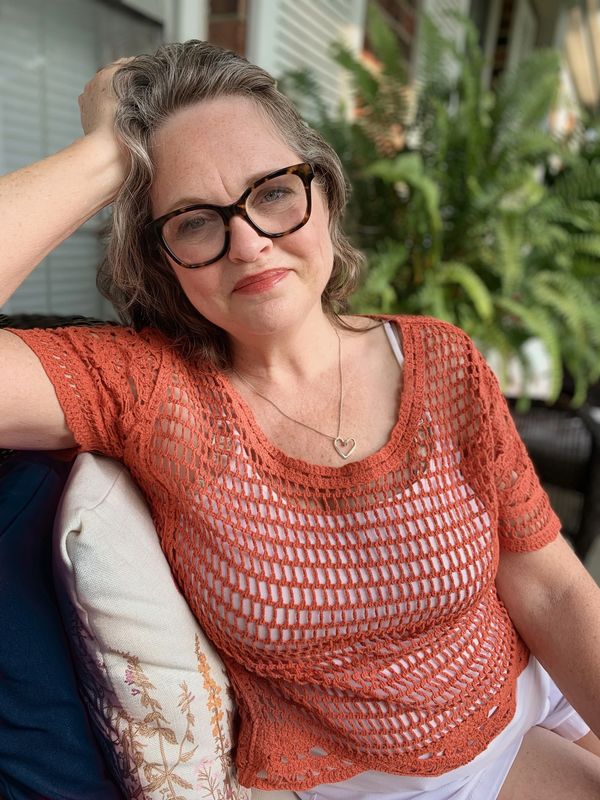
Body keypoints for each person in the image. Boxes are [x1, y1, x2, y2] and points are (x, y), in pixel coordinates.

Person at [1, 40, 600, 800]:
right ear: (159, 259)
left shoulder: (440, 358)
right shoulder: (149, 391)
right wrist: (104, 154)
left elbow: (551, 591)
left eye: (274, 191)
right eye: (193, 221)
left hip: (531, 687)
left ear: (324, 190)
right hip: (405, 780)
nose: (249, 242)